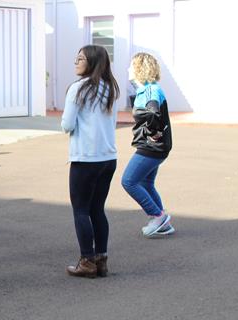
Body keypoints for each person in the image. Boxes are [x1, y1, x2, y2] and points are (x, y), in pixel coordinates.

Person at [61, 45, 120, 278]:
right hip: (108, 157)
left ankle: (86, 261)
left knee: (81, 210)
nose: (76, 62)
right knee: (97, 209)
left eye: (80, 59)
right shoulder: (110, 88)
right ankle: (101, 260)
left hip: (85, 157)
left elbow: (67, 124)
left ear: (92, 62)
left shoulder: (78, 88)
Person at [122, 52, 174, 237]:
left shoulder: (151, 91)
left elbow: (152, 113)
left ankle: (157, 216)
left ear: (139, 68)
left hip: (151, 147)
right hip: (153, 146)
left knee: (128, 181)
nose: (128, 69)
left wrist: (151, 133)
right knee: (146, 182)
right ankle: (163, 222)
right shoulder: (146, 89)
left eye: (131, 65)